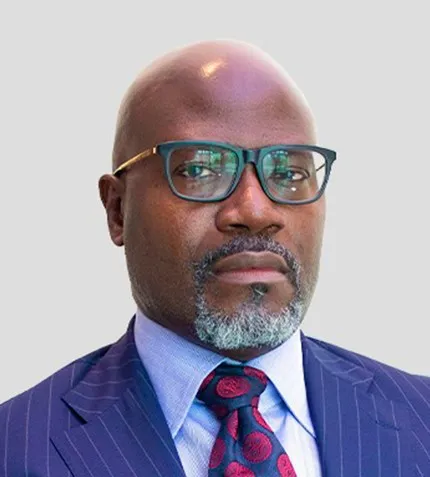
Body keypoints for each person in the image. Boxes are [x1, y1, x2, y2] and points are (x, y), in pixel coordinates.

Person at [1, 39, 429, 477]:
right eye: (200, 170)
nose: (256, 211)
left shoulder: (422, 419)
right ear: (117, 210)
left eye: (288, 172)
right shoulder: (14, 448)